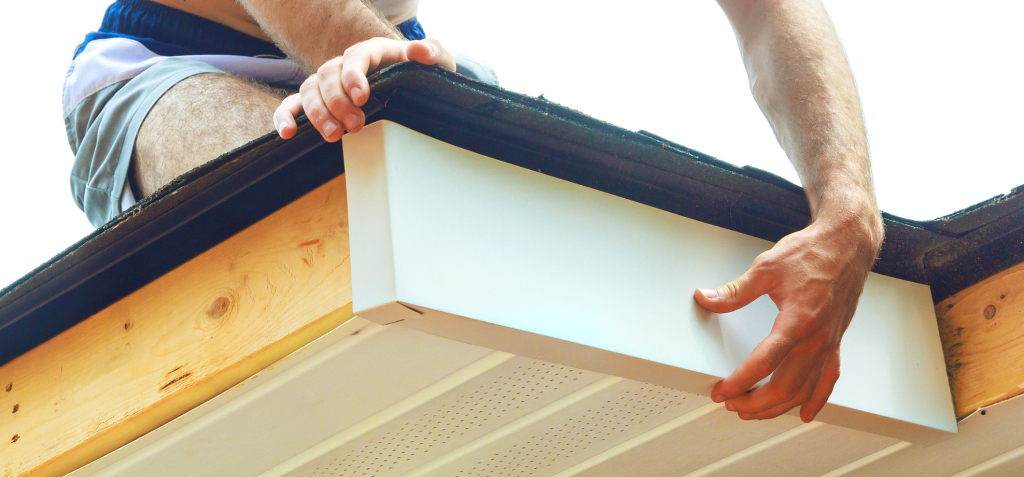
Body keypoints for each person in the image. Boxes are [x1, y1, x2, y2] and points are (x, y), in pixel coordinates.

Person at [64, 0, 883, 425]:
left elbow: (773, 12)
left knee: (539, 265)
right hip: (172, 62)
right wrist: (413, 87)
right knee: (337, 213)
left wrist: (848, 208)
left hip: (401, 54)